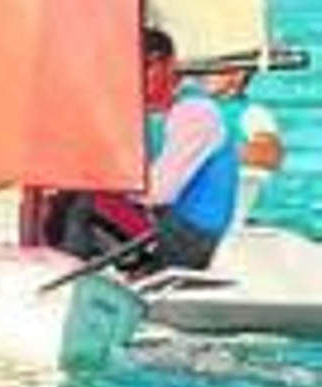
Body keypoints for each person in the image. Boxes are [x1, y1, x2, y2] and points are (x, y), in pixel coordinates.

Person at [44, 27, 240, 274]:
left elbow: (158, 193)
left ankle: (68, 278)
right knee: (61, 199)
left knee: (85, 201)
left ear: (170, 64)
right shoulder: (145, 110)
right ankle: (65, 268)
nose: (135, 78)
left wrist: (93, 178)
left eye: (146, 66)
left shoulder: (196, 114)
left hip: (192, 238)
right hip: (161, 223)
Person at [203, 64, 285, 172]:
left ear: (238, 75)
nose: (205, 75)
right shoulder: (198, 108)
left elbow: (272, 156)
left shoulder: (253, 113)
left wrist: (214, 154)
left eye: (213, 70)